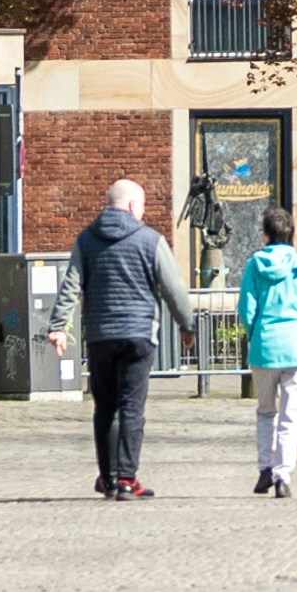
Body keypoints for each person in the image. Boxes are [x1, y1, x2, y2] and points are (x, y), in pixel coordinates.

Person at [60, 178, 202, 500]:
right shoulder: (150, 240)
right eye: (143, 205)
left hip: (100, 336)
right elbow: (174, 288)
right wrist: (186, 325)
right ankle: (127, 479)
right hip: (138, 336)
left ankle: (108, 478)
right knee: (131, 408)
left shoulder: (86, 240)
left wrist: (57, 325)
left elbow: (71, 284)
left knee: (105, 407)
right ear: (133, 206)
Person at [238, 206, 297, 497]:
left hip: (265, 347)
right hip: (296, 348)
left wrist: (256, 334)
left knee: (266, 411)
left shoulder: (255, 265)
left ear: (265, 234)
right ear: (291, 233)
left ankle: (265, 468)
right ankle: (283, 475)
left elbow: (247, 308)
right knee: (291, 414)